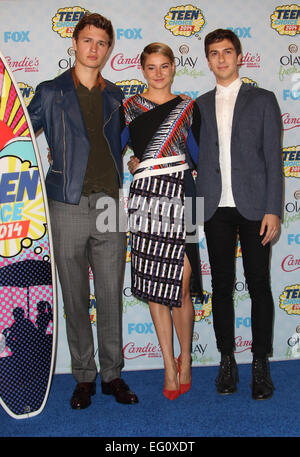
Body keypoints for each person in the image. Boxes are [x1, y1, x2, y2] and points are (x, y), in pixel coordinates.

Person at [28, 12, 138, 409]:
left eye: (102, 43)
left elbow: (133, 139)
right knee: (74, 296)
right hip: (65, 202)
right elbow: (20, 134)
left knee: (110, 295)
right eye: (88, 40)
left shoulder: (118, 95)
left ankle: (112, 375)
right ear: (74, 43)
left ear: (109, 49)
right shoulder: (48, 91)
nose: (94, 48)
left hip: (111, 201)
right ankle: (84, 377)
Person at [195, 29, 283, 400]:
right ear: (207, 59)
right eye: (214, 53)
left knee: (260, 285)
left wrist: (273, 210)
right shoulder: (197, 105)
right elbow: (186, 155)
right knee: (222, 288)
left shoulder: (263, 100)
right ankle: (227, 360)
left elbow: (275, 160)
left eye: (227, 52)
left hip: (254, 208)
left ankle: (260, 363)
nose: (221, 59)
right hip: (215, 207)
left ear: (240, 56)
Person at [125, 43, 202, 400]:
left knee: (182, 284)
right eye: (151, 67)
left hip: (184, 198)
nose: (158, 73)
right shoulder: (128, 108)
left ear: (174, 67)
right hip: (145, 201)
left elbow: (200, 155)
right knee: (156, 285)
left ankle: (186, 359)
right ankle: (168, 366)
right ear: (142, 69)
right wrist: (135, 164)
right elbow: (112, 150)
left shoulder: (189, 106)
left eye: (164, 66)